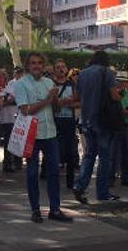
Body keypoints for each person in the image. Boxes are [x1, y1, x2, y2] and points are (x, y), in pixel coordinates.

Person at [14, 52, 73, 223]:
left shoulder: (49, 82)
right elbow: (25, 110)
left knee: (54, 172)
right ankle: (35, 209)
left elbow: (54, 108)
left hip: (50, 133)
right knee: (32, 173)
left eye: (39, 63)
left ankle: (55, 209)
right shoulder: (21, 84)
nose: (37, 66)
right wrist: (48, 100)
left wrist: (55, 100)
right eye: (33, 63)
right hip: (32, 134)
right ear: (28, 65)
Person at [72, 50, 118, 204]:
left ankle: (79, 185)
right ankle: (102, 192)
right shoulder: (108, 73)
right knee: (105, 157)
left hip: (86, 120)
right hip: (103, 120)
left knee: (89, 155)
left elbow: (77, 97)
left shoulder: (83, 74)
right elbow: (113, 95)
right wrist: (121, 93)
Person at [52, 59, 80, 189]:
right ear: (54, 70)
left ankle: (70, 181)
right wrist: (58, 103)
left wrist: (69, 104)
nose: (61, 69)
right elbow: (48, 103)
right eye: (58, 67)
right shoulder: (51, 84)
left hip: (69, 121)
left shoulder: (72, 84)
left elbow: (80, 102)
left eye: (63, 67)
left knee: (70, 152)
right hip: (55, 121)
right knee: (54, 151)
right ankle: (53, 179)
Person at [113, 72, 128, 188]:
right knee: (115, 152)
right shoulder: (113, 93)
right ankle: (111, 177)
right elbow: (116, 110)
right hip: (117, 125)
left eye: (124, 81)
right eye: (120, 81)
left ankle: (126, 177)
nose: (122, 83)